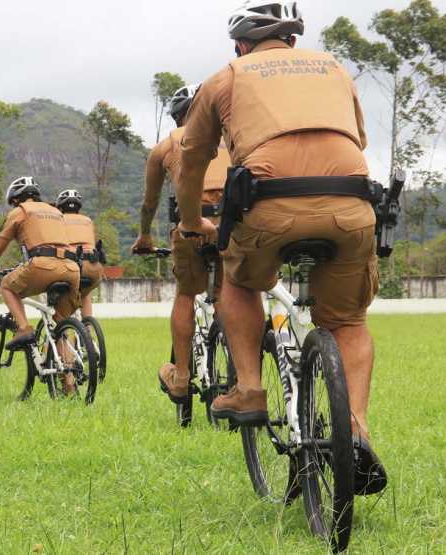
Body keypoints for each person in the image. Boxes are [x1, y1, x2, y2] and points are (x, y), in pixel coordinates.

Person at [177, 1, 386, 494]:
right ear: (292, 41)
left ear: (241, 45)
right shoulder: (335, 68)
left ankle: (249, 387)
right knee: (350, 322)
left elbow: (191, 162)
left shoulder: (227, 76)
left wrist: (192, 223)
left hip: (268, 208)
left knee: (238, 280)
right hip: (351, 205)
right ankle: (354, 429)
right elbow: (357, 137)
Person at [131, 84, 233, 405]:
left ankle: (181, 377)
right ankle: (239, 369)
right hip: (235, 226)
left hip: (193, 224)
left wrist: (145, 236)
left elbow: (150, 202)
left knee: (186, 293)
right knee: (228, 295)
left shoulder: (167, 144)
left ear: (178, 117)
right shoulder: (232, 137)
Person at [0, 177, 81, 390]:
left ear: (15, 198)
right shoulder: (55, 212)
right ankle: (68, 384)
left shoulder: (20, 211)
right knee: (60, 326)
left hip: (42, 265)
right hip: (71, 268)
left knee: (6, 285)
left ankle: (23, 328)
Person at [55, 189, 104, 317]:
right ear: (79, 210)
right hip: (94, 268)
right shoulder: (88, 221)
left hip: (71, 266)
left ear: (59, 209)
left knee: (56, 292)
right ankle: (88, 330)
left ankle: (62, 334)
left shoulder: (57, 220)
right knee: (85, 294)